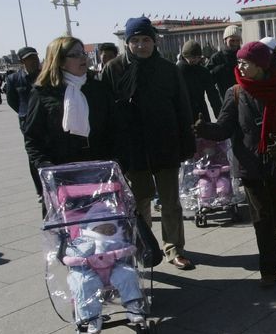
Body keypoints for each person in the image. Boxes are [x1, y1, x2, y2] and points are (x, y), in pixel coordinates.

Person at [194, 41, 276, 287]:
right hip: (250, 164)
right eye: (239, 62)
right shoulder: (235, 93)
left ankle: (272, 248)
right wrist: (204, 130)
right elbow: (223, 128)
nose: (240, 67)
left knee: (275, 213)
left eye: (246, 62)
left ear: (261, 65)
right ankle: (269, 269)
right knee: (262, 215)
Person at [101, 17, 196, 270]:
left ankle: (174, 248)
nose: (141, 46)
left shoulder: (168, 69)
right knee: (138, 201)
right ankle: (144, 245)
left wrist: (187, 142)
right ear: (127, 43)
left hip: (165, 144)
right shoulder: (114, 69)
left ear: (154, 41)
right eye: (134, 41)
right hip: (132, 149)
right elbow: (106, 113)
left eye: (145, 40)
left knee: (170, 201)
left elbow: (182, 108)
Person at [23, 36, 116, 171]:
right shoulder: (43, 93)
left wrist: (119, 161)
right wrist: (44, 165)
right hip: (61, 171)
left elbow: (116, 128)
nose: (83, 58)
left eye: (83, 53)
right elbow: (33, 138)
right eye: (75, 55)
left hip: (102, 167)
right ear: (59, 61)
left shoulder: (98, 89)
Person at [64, 205, 145, 334]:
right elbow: (69, 256)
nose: (106, 231)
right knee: (83, 284)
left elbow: (129, 248)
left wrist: (126, 250)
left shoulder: (117, 240)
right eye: (101, 229)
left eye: (110, 229)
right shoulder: (82, 242)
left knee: (128, 275)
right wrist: (75, 259)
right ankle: (92, 317)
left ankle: (133, 306)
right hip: (88, 270)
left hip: (115, 266)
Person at [6, 47, 42, 195]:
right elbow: (12, 100)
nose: (34, 61)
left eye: (35, 57)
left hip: (46, 120)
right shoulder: (13, 79)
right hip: (27, 122)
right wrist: (25, 114)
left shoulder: (44, 76)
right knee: (34, 156)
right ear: (22, 61)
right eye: (30, 58)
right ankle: (40, 190)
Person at [178, 40, 222, 121]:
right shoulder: (177, 71)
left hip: (200, 112)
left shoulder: (203, 71)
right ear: (185, 56)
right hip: (183, 113)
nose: (195, 60)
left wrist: (220, 116)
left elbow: (213, 94)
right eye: (192, 57)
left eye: (198, 57)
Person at [208, 25, 242, 101]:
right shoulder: (216, 57)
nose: (235, 43)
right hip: (225, 99)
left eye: (237, 40)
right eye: (232, 40)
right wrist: (219, 69)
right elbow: (208, 80)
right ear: (225, 40)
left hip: (243, 98)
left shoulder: (243, 56)